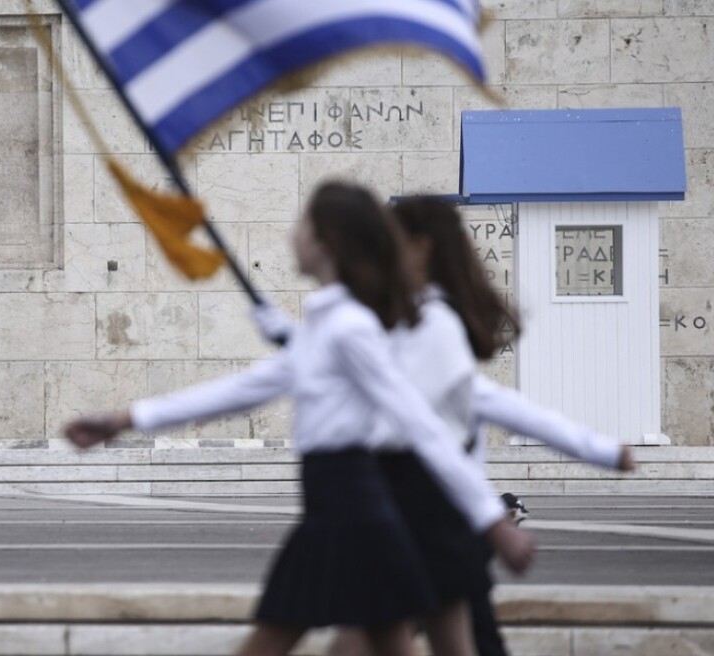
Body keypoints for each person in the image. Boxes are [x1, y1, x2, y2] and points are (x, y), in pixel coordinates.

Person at [64, 182, 533, 656]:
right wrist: (124, 419)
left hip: (349, 511)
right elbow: (242, 389)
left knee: (277, 644)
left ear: (327, 242)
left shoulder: (349, 327)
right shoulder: (331, 325)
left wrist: (491, 522)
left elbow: (420, 425)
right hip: (339, 507)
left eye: (303, 224)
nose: (293, 235)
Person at [252, 196, 634, 656]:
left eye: (392, 240)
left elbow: (434, 411)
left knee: (364, 644)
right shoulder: (405, 317)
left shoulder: (430, 324)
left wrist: (500, 515)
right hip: (418, 511)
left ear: (421, 247)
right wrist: (297, 339)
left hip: (421, 512)